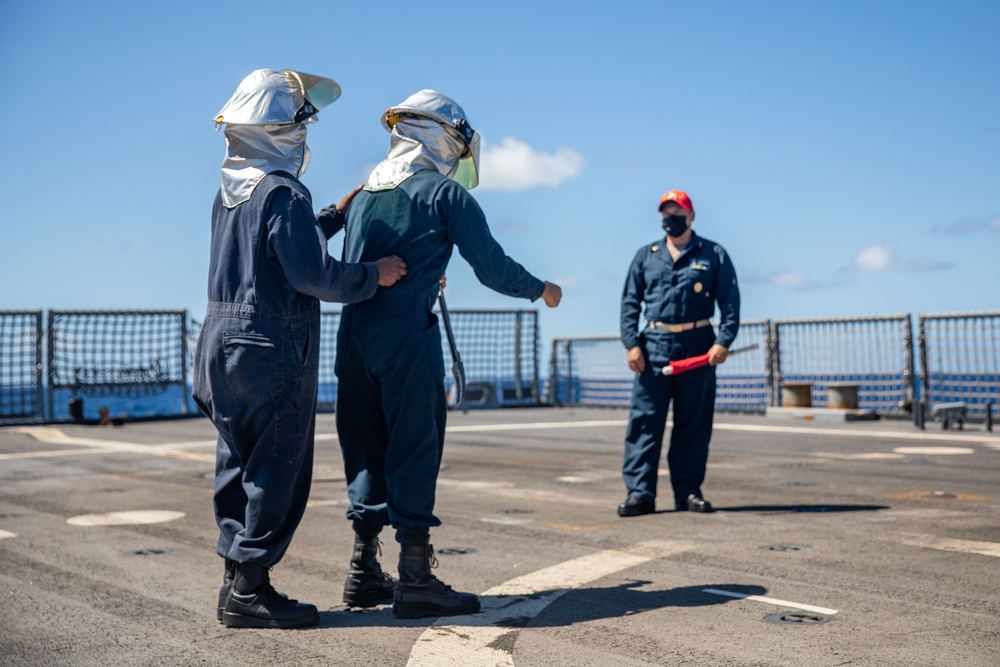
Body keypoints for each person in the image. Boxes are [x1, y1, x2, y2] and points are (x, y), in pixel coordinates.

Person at [334, 89, 562, 618]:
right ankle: (414, 577)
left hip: (352, 337)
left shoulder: (366, 193)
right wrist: (542, 288)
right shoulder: (444, 195)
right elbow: (492, 267)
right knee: (413, 446)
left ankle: (363, 569)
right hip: (405, 336)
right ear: (446, 136)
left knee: (366, 448)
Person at [192, 69, 407, 629]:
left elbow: (273, 249)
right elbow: (311, 275)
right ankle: (252, 589)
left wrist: (333, 216)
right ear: (282, 129)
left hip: (219, 344)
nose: (306, 131)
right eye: (301, 120)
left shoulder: (232, 192)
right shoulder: (285, 192)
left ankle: (233, 582)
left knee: (236, 463)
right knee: (276, 465)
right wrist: (372, 275)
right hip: (268, 344)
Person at [617, 189, 740, 517]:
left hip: (699, 347)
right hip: (653, 348)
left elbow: (730, 301)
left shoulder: (713, 253)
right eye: (666, 212)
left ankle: (688, 492)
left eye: (678, 211)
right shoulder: (647, 255)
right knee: (645, 424)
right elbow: (630, 302)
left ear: (691, 215)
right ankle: (640, 494)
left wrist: (723, 342)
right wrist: (631, 344)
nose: (671, 218)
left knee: (693, 424)